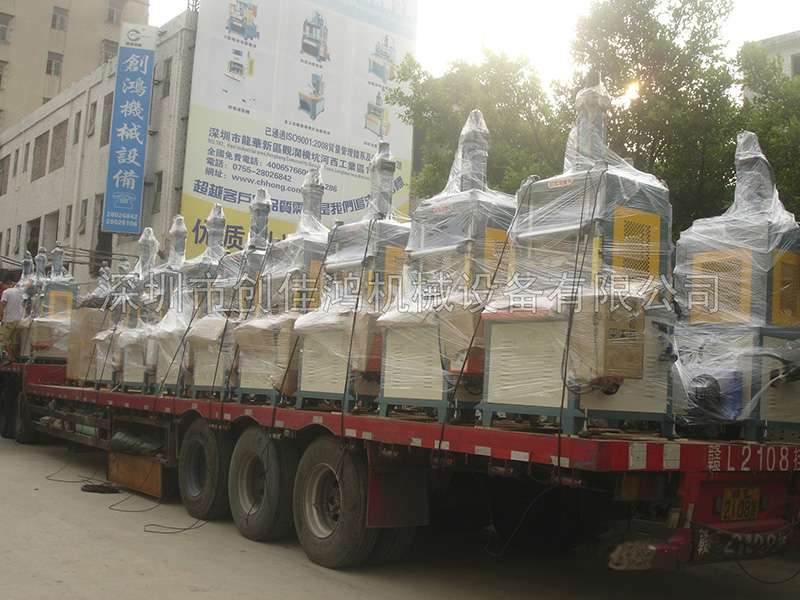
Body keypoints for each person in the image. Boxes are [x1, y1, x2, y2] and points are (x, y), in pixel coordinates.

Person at [1, 274, 24, 361]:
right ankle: (15, 358)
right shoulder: (20, 292)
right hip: (18, 320)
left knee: (3, 339)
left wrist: (1, 317)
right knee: (15, 341)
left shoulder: (6, 292)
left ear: (6, 284)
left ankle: (9, 357)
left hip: (8, 320)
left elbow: (2, 305)